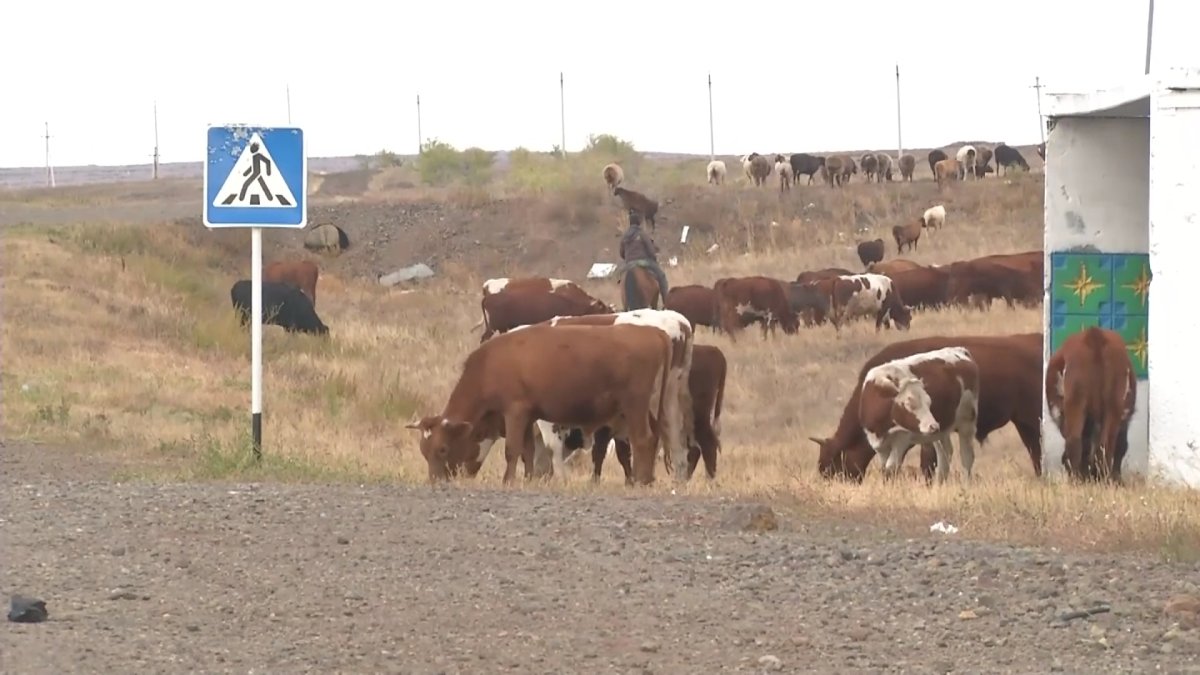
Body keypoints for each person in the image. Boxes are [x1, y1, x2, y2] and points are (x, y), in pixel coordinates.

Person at [618, 209, 669, 307]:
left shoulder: (624, 237)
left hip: (628, 264)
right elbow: (650, 249)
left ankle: (624, 306)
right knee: (661, 276)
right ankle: (666, 302)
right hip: (644, 262)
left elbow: (621, 253)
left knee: (620, 278)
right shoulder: (642, 234)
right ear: (639, 223)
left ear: (630, 223)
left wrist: (628, 259)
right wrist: (654, 258)